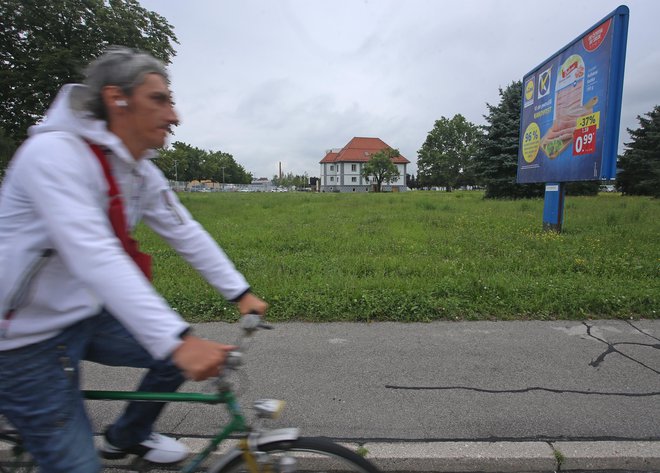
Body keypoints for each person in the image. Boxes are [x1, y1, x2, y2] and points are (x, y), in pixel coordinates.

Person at [0, 46, 268, 473]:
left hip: (79, 313)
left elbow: (184, 230)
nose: (175, 115)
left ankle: (127, 436)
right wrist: (178, 340)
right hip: (24, 339)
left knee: (170, 358)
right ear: (116, 99)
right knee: (76, 465)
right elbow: (95, 254)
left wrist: (239, 291)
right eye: (159, 99)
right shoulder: (54, 156)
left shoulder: (138, 169)